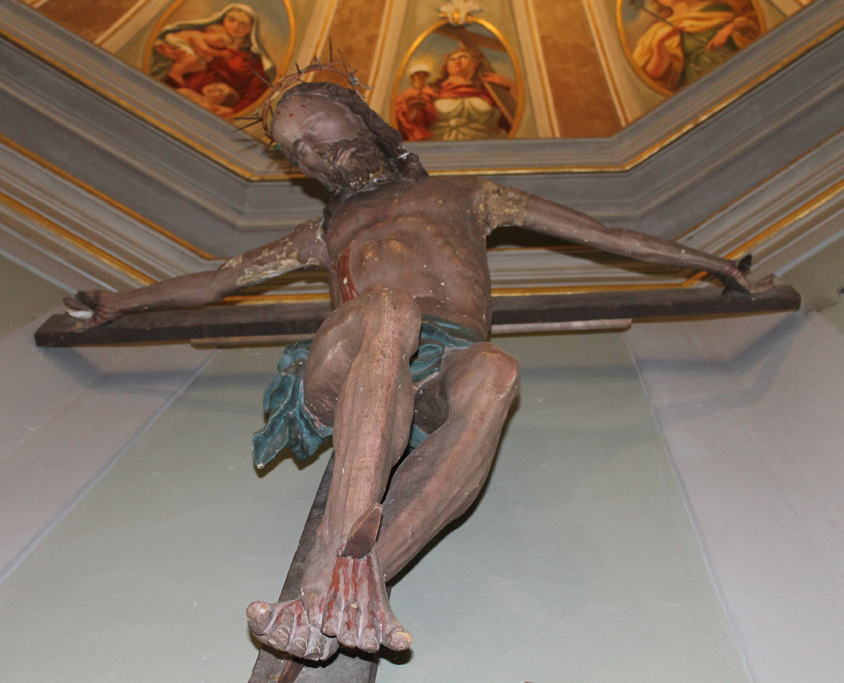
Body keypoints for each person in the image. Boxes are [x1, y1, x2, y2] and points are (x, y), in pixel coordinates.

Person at [65, 80, 770, 661]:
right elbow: (218, 281)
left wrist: (714, 266)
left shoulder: (469, 195)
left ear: (359, 116)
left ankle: (345, 589)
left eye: (316, 126)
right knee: (389, 309)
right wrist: (118, 303)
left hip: (439, 365)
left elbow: (609, 235)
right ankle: (336, 569)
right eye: (297, 149)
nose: (314, 152)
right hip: (345, 363)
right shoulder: (325, 231)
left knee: (496, 371)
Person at [152, 4, 274, 116]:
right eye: (231, 20)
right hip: (172, 89)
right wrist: (166, 49)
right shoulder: (208, 36)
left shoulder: (251, 60)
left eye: (243, 24)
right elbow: (166, 41)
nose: (235, 27)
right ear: (224, 19)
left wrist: (234, 110)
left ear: (251, 29)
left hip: (212, 103)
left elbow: (259, 88)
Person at [631, 0, 760, 91]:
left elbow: (754, 27)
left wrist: (731, 27)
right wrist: (659, 46)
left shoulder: (719, 7)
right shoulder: (660, 30)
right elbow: (655, 74)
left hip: (739, 73)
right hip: (700, 88)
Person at [394, 47, 516, 141]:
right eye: (452, 59)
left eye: (463, 57)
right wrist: (412, 109)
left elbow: (514, 114)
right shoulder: (431, 91)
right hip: (439, 145)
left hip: (486, 146)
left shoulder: (489, 92)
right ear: (447, 67)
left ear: (475, 64)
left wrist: (510, 85)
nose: (457, 61)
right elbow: (411, 121)